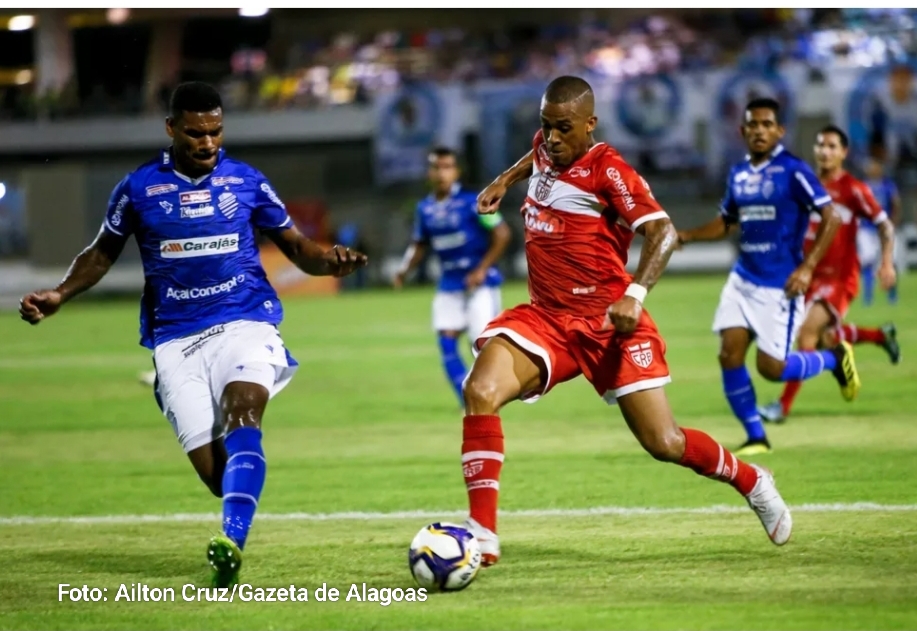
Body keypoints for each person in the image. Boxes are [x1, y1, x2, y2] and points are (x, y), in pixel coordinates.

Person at [18, 82, 367, 587]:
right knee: (215, 475)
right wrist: (59, 294)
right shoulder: (139, 187)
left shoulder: (246, 180)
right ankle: (221, 481)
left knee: (244, 408)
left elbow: (295, 246)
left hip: (245, 320)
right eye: (196, 133)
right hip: (176, 338)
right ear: (172, 129)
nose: (208, 143)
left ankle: (231, 545)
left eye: (216, 132)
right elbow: (100, 253)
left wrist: (328, 262)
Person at [463, 76, 794, 568]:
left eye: (563, 128)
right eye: (545, 126)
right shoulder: (546, 145)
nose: (551, 138)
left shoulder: (608, 170)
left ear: (590, 124)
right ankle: (482, 536)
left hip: (609, 323)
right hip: (548, 318)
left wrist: (635, 296)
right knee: (480, 392)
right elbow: (534, 153)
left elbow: (661, 233)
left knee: (665, 443)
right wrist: (504, 180)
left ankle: (752, 481)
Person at [677, 98, 858, 456]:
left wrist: (806, 268)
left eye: (767, 124)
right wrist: (688, 235)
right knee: (729, 354)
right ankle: (756, 436)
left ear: (779, 130)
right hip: (742, 279)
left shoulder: (793, 170)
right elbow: (727, 222)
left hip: (781, 286)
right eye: (753, 125)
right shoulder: (739, 173)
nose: (759, 130)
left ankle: (833, 358)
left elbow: (831, 217)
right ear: (742, 131)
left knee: (772, 368)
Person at [758, 126, 899, 423]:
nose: (825, 151)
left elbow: (885, 225)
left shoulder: (853, 189)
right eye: (821, 145)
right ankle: (877, 336)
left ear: (843, 153)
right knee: (823, 340)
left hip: (839, 278)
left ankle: (781, 407)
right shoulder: (806, 187)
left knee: (806, 334)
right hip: (809, 277)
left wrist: (886, 263)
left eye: (832, 146)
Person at [394, 147, 511, 406]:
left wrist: (481, 269)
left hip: (480, 284)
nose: (441, 173)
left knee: (482, 346)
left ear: (456, 171)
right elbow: (419, 243)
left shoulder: (474, 202)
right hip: (450, 284)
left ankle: (496, 393)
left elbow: (502, 233)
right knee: (446, 343)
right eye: (436, 167)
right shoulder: (425, 209)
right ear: (429, 172)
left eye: (447, 167)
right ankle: (467, 400)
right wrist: (404, 270)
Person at [860, 155, 903, 306]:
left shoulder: (888, 185)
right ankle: (868, 297)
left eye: (875, 167)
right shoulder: (863, 185)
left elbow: (896, 204)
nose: (872, 170)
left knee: (891, 262)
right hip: (866, 229)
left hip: (884, 229)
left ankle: (892, 296)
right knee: (868, 263)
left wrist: (893, 223)